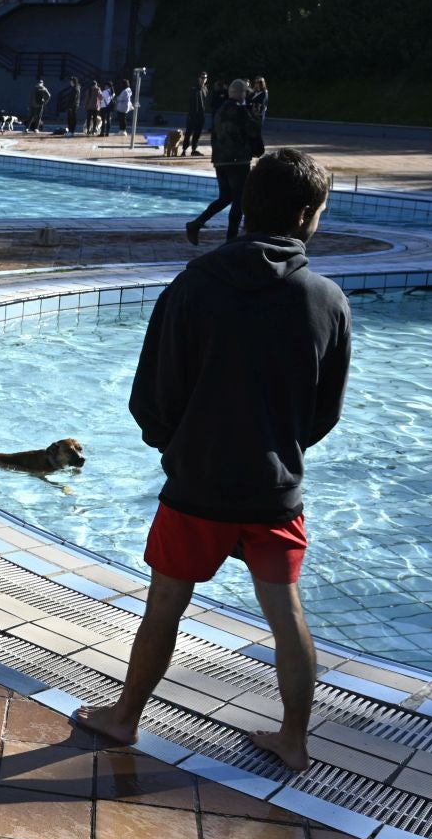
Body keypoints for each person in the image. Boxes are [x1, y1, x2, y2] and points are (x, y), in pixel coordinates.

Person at [76, 148, 350, 773]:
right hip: (272, 489)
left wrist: (180, 447)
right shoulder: (326, 300)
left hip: (196, 486)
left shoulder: (194, 285)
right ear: (307, 214)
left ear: (248, 206)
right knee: (288, 617)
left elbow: (150, 397)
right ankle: (294, 741)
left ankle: (124, 719)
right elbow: (324, 413)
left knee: (164, 606)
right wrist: (281, 448)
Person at [185, 78, 263, 245]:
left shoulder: (220, 110)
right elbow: (253, 130)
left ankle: (196, 224)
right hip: (238, 160)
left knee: (225, 197)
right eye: (245, 93)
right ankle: (231, 240)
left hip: (221, 161)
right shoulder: (240, 111)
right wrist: (256, 115)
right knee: (239, 200)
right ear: (241, 94)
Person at [183, 71, 209, 156]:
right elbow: (190, 102)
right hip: (193, 115)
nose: (203, 79)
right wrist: (191, 114)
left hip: (201, 115)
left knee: (197, 133)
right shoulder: (193, 88)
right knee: (188, 133)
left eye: (205, 78)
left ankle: (194, 150)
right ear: (198, 78)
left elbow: (205, 102)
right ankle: (184, 150)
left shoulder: (205, 89)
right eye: (202, 77)